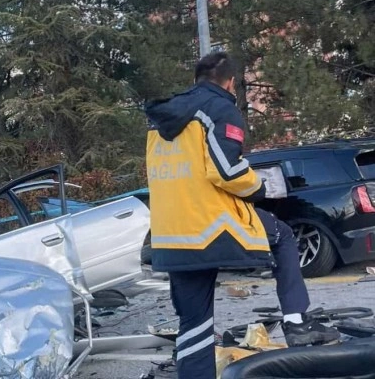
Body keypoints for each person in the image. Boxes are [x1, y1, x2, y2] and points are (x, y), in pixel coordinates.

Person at [144, 52, 340, 378]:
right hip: (214, 226)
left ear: (196, 78)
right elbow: (226, 171)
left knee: (194, 322)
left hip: (171, 235)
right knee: (283, 236)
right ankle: (297, 323)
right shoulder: (220, 109)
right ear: (231, 82)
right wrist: (259, 187)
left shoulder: (161, 119)